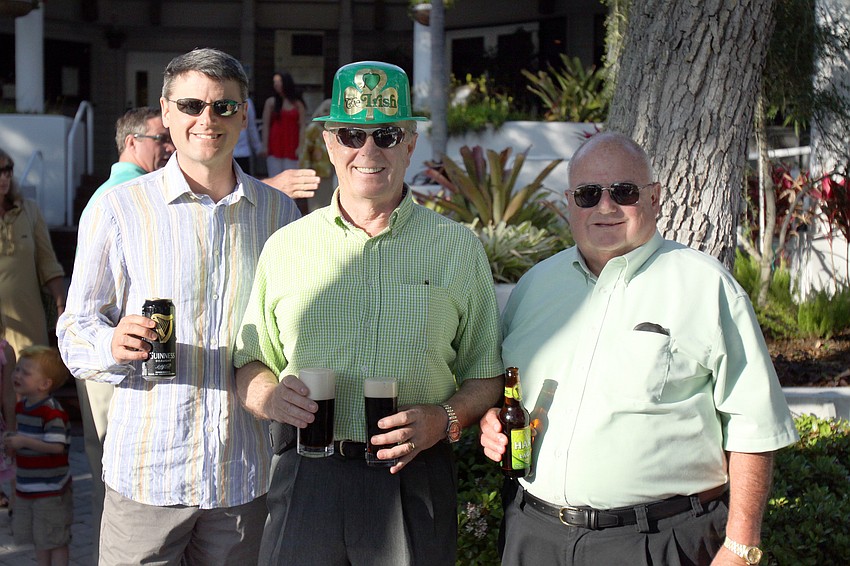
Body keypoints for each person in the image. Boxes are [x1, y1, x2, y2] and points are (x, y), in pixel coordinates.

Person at [478, 131, 799, 566]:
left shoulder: (706, 287)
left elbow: (754, 426)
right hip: (534, 536)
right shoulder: (534, 288)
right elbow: (508, 393)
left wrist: (740, 545)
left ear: (654, 197)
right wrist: (492, 423)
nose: (606, 207)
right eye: (589, 194)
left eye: (624, 192)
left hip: (657, 543)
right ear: (570, 202)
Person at [234, 61, 504, 566]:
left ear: (410, 141)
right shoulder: (286, 246)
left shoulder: (458, 249)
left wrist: (444, 417)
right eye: (352, 135)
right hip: (308, 473)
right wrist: (270, 398)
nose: (368, 151)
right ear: (331, 142)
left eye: (385, 134)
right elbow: (250, 361)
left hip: (413, 473)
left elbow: (484, 374)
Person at [57, 48, 301, 565]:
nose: (206, 119)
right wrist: (111, 341)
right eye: (191, 105)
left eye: (224, 107)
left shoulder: (279, 212)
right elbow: (75, 329)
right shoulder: (120, 208)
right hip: (149, 473)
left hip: (242, 476)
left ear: (244, 114)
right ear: (166, 114)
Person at [6, 345, 72, 566]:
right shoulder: (23, 407)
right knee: (40, 539)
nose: (17, 375)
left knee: (55, 539)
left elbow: (56, 447)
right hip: (28, 487)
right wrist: (13, 442)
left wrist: (23, 441)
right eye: (17, 369)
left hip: (50, 491)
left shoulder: (51, 412)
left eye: (26, 372)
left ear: (44, 384)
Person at [0, 148, 66, 356]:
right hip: (7, 321)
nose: (4, 177)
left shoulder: (29, 210)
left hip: (28, 318)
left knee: (31, 380)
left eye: (7, 170)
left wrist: (61, 308)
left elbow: (47, 262)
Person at [82, 106, 176, 217]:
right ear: (131, 142)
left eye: (172, 140)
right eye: (161, 139)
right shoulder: (134, 191)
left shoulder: (106, 193)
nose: (172, 148)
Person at [261, 71, 307, 178]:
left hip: (292, 143)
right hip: (275, 144)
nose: (276, 84)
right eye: (274, 82)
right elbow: (266, 125)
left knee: (292, 176)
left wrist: (301, 146)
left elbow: (302, 126)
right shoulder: (271, 102)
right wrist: (264, 145)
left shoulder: (298, 104)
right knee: (275, 176)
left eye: (279, 81)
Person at [298, 98, 335, 211]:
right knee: (317, 205)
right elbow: (305, 151)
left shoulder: (333, 128)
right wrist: (306, 172)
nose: (327, 113)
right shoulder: (313, 128)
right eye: (325, 110)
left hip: (331, 171)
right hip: (317, 173)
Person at [0, 311, 16, 509]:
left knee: (9, 462)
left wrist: (11, 429)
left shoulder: (5, 350)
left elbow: (9, 395)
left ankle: (17, 504)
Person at [233, 97, 262, 175]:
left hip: (243, 151)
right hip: (226, 153)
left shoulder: (246, 102)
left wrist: (258, 147)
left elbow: (251, 127)